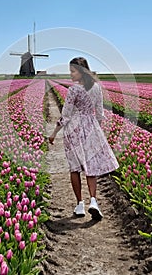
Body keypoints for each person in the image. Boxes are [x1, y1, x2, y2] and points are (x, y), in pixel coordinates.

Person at [49, 57, 119, 220]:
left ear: (81, 71)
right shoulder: (96, 88)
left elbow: (65, 115)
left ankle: (79, 204)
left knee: (75, 168)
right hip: (91, 127)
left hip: (74, 129)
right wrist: (96, 132)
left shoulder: (74, 90)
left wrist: (54, 133)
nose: (71, 75)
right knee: (91, 167)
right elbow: (100, 114)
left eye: (73, 71)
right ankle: (93, 201)